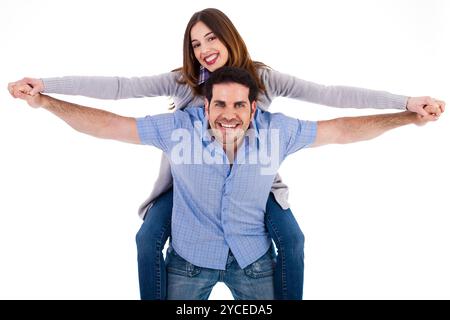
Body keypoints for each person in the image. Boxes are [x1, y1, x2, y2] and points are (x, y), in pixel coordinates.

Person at [7, 8, 445, 300]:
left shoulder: (265, 80)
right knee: (147, 239)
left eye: (211, 38)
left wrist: (405, 104)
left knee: (291, 239)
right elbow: (120, 89)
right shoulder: (186, 82)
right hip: (186, 184)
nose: (204, 49)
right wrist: (47, 88)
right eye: (196, 43)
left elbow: (332, 99)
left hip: (255, 185)